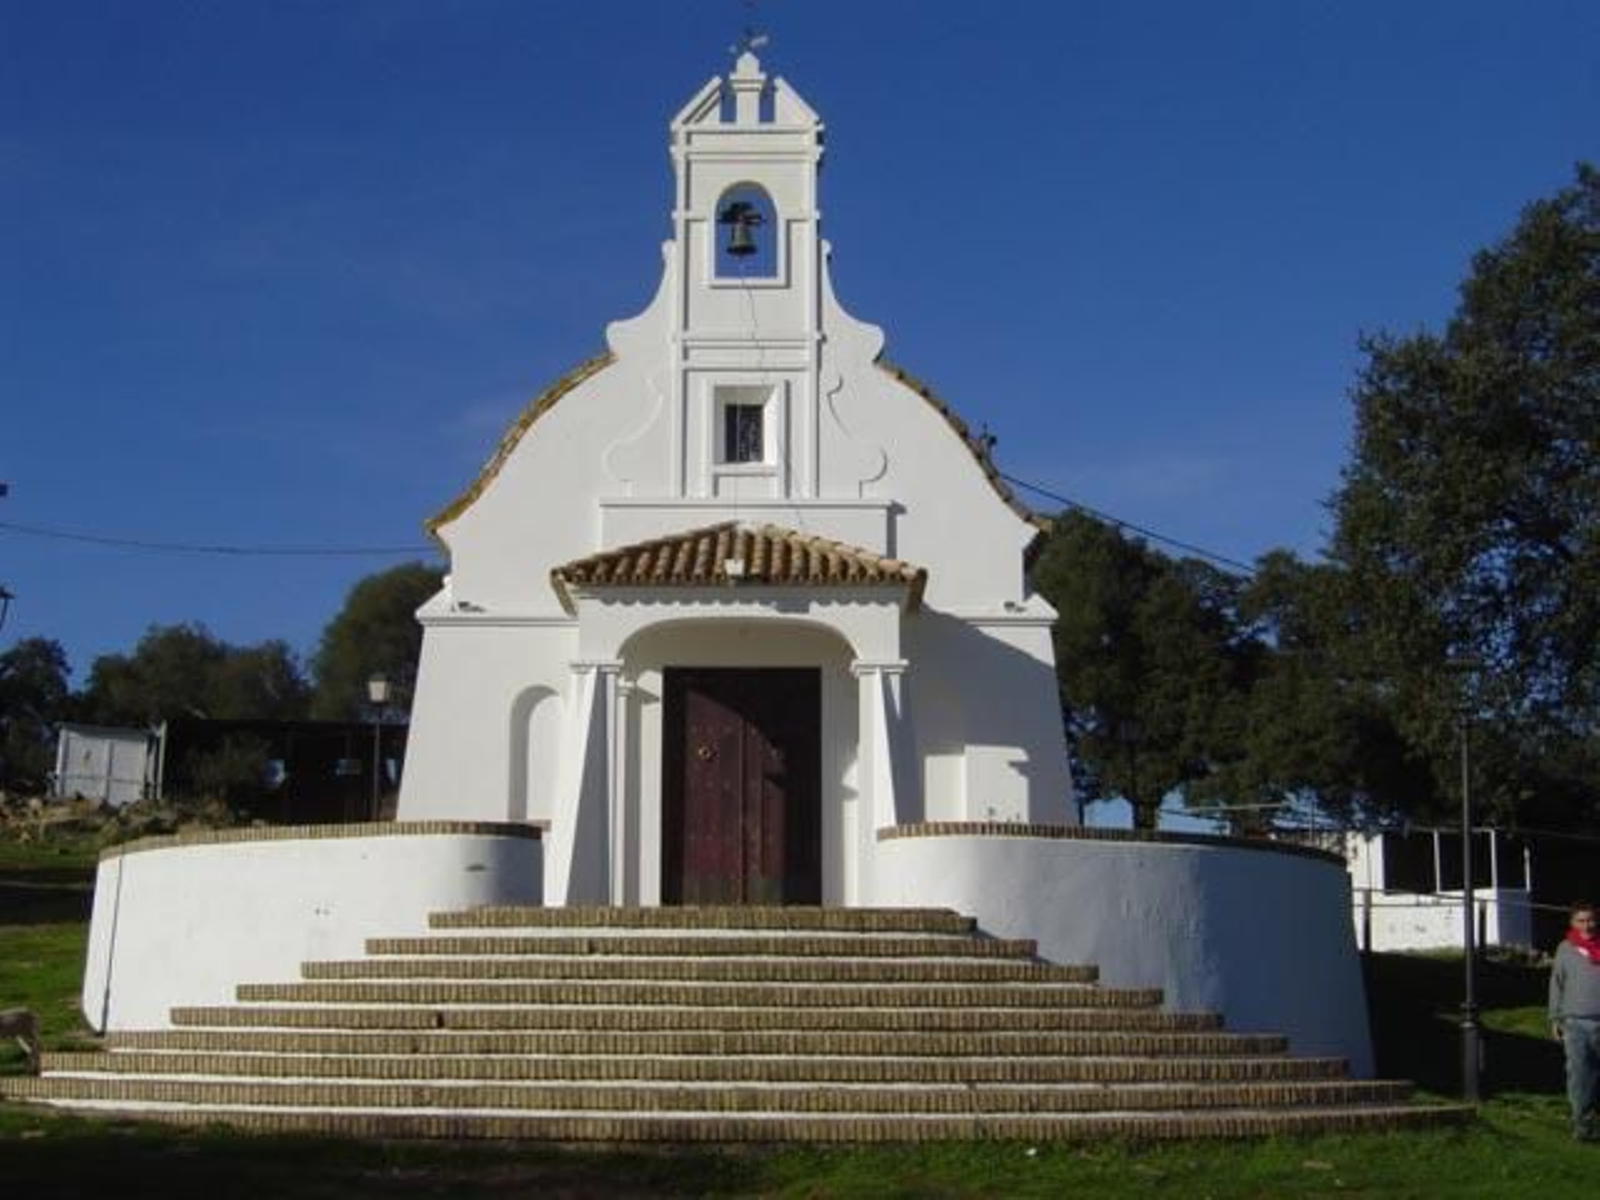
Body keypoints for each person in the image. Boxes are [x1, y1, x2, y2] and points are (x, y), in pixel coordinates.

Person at [1550, 900, 1600, 1141]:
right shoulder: (1565, 948)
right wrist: (1555, 1018)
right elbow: (1556, 985)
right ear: (1572, 922)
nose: (1586, 925)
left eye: (1590, 920)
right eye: (1581, 920)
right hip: (1575, 1022)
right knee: (1580, 1077)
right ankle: (1583, 1127)